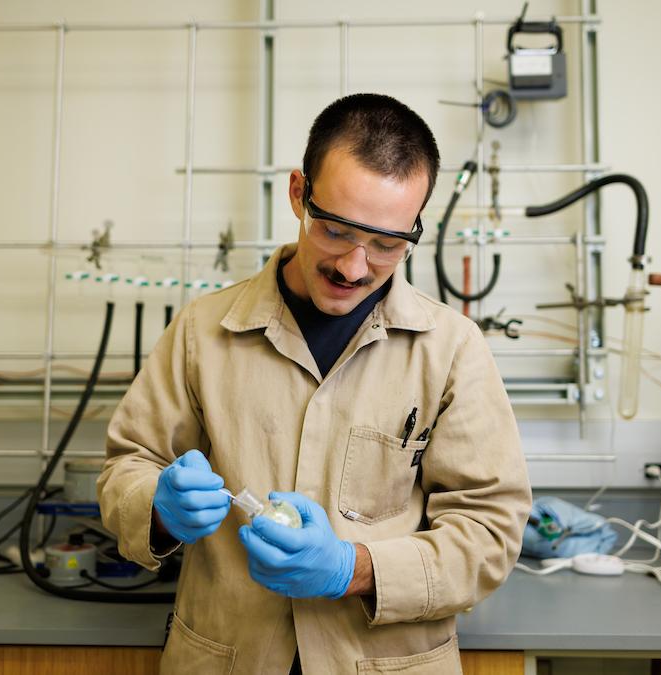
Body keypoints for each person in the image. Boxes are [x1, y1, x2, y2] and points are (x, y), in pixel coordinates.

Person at [98, 93, 530, 674]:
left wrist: (353, 568)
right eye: (335, 230)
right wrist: (157, 509)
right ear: (300, 193)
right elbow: (128, 464)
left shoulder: (451, 350)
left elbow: (489, 533)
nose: (353, 267)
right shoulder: (202, 332)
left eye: (386, 244)